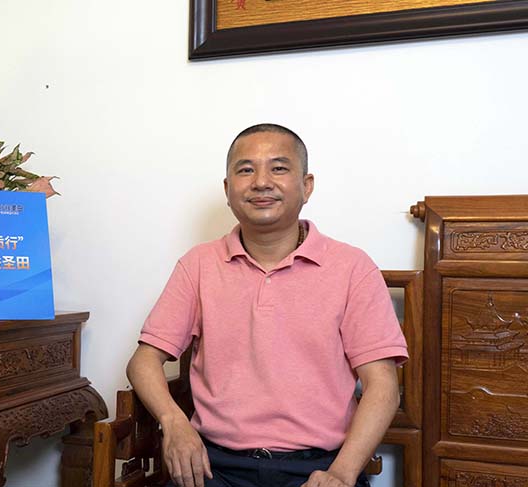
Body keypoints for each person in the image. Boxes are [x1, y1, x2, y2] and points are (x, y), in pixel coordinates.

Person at [126, 124, 408, 487]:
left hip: (318, 467)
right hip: (214, 467)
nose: (261, 182)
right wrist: (174, 422)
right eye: (246, 170)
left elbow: (382, 385)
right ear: (227, 189)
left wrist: (342, 472)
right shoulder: (198, 265)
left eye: (278, 168)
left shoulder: (352, 268)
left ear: (307, 185)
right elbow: (143, 361)